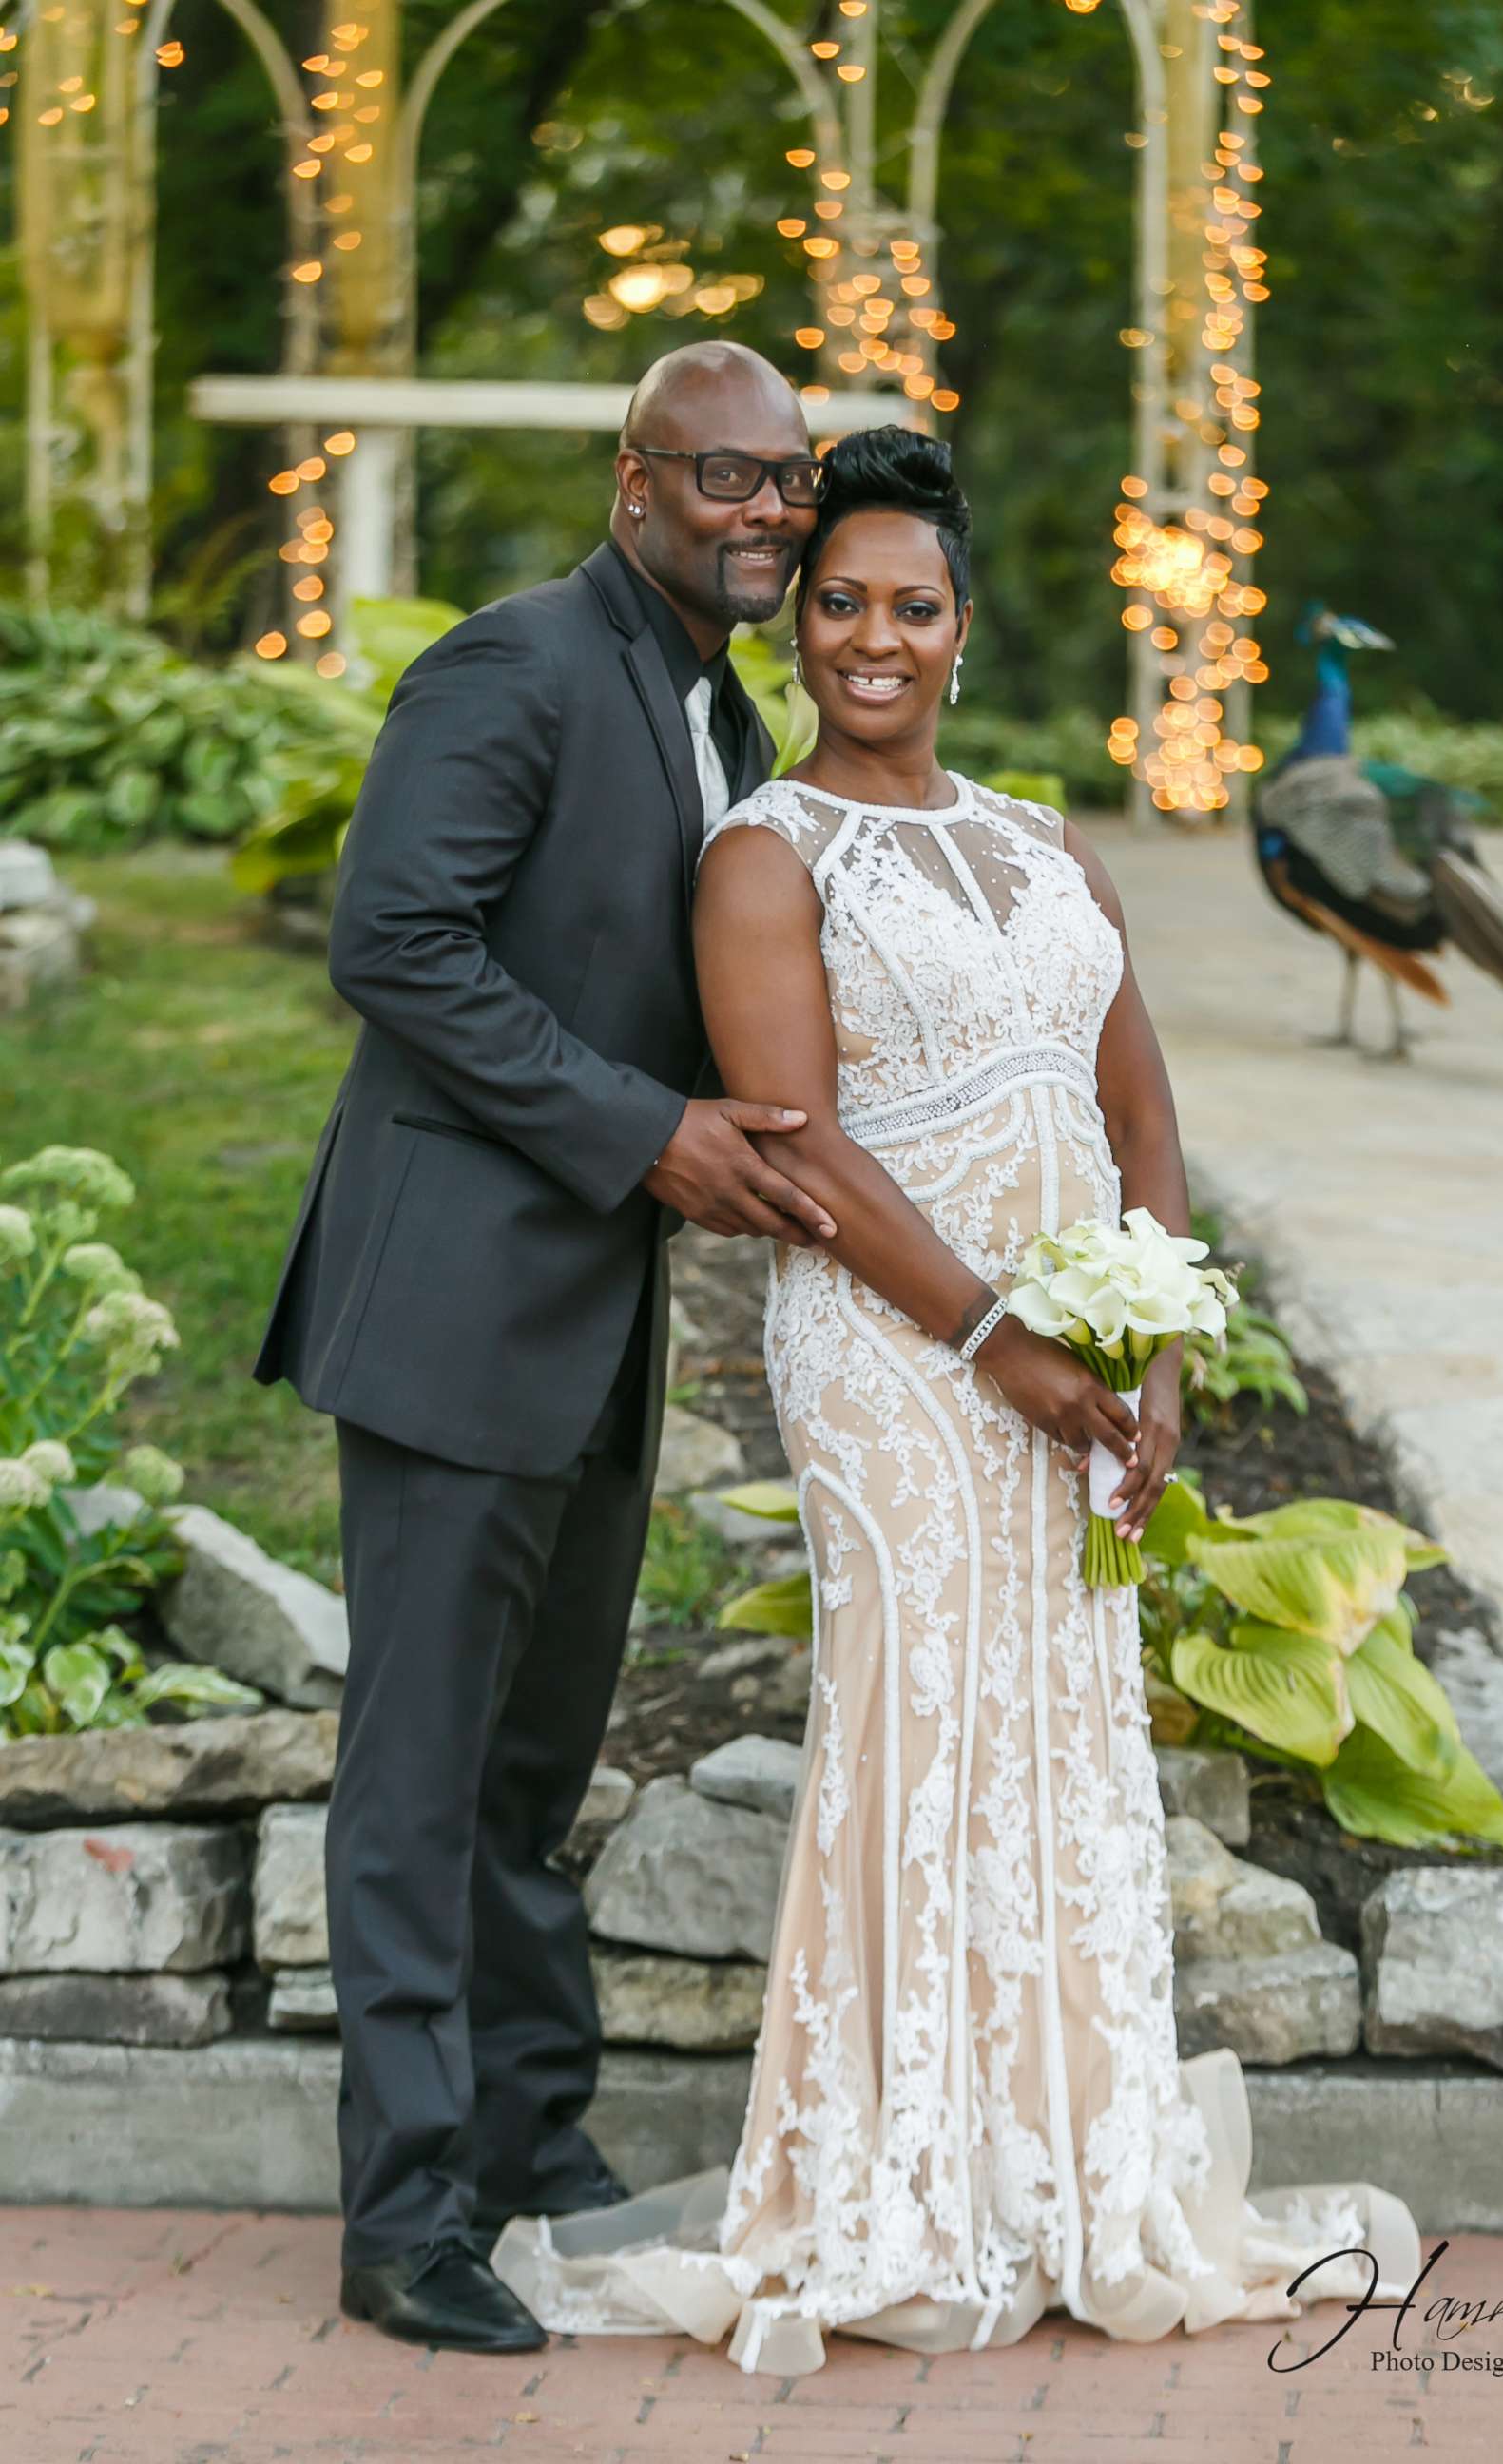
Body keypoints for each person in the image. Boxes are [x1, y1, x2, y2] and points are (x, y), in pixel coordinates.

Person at [491, 426, 1423, 2373]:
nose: (874, 638)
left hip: (1078, 1374)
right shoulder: (766, 853)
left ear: (965, 629)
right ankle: (896, 2187)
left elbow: (1139, 1107)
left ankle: (1074, 2177)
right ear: (800, 625)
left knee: (1062, 1744)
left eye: (912, 606)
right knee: (920, 1734)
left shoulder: (1042, 840)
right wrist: (1000, 1340)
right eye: (841, 603)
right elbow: (802, 1149)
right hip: (896, 1365)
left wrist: (1155, 1341)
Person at [251, 340, 838, 2355]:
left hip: (593, 1327)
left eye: (790, 479)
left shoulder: (711, 706)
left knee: (532, 1765)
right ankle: (404, 2220)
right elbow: (392, 938)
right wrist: (642, 1132)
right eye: (728, 479)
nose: (765, 510)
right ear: (636, 484)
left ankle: (530, 2141)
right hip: (449, 1313)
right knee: (419, 1780)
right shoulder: (513, 665)